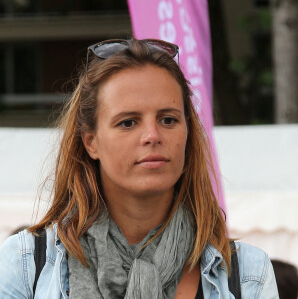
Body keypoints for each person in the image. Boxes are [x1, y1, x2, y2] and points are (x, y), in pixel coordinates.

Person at [0, 38, 279, 298]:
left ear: (188, 134)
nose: (152, 135)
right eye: (128, 122)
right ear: (91, 142)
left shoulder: (248, 275)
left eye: (168, 120)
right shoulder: (25, 264)